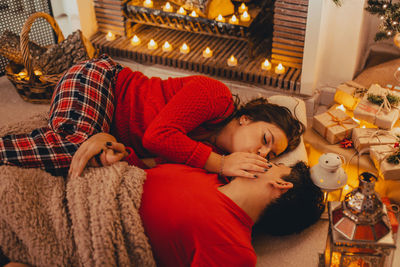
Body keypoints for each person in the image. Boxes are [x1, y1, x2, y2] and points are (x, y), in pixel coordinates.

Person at [0, 54, 305, 177]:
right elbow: (157, 137)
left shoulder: (206, 157)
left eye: (269, 153)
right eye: (266, 139)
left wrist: (117, 153)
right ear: (246, 118)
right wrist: (222, 163)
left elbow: (146, 162)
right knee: (73, 148)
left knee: (87, 162)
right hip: (101, 80)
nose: (263, 152)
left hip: (104, 122)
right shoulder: (215, 96)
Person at [140, 161, 325, 266]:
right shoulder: (213, 172)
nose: (262, 156)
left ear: (281, 184)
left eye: (275, 164)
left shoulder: (234, 250)